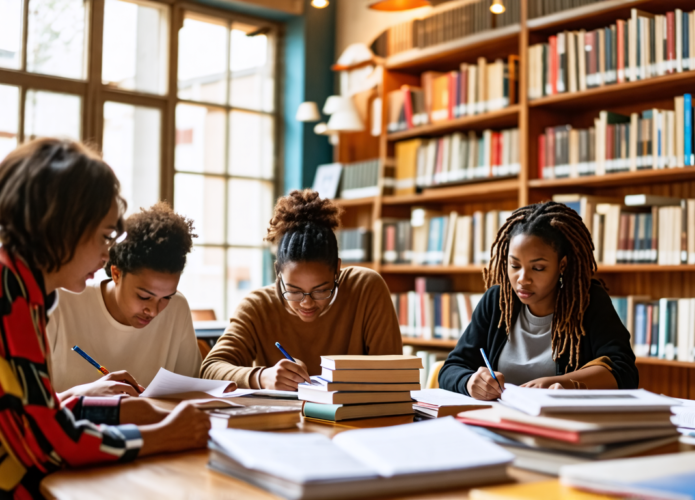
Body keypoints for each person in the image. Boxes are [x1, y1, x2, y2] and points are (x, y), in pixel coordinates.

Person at [0, 139, 209, 497]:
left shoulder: (25, 290)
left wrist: (96, 403)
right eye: (103, 236)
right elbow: (45, 446)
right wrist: (161, 435)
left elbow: (26, 413)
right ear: (62, 228)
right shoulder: (9, 295)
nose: (106, 253)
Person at [200, 189, 402, 390]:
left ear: (337, 270)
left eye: (321, 290)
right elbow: (209, 370)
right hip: (282, 420)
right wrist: (262, 377)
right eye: (294, 291)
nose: (306, 302)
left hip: (355, 420)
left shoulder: (366, 289)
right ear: (278, 271)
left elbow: (395, 374)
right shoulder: (257, 306)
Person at [439, 202, 639, 400]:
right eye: (514, 265)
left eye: (538, 268)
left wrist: (562, 383)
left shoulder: (587, 303)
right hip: (499, 421)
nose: (522, 279)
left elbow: (624, 371)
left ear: (562, 265)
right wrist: (469, 382)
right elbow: (451, 368)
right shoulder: (497, 302)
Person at [47, 202, 202, 398]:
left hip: (155, 427)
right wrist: (82, 394)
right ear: (116, 274)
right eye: (144, 296)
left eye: (166, 298)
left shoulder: (177, 308)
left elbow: (191, 392)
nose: (154, 311)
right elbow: (23, 406)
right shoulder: (61, 303)